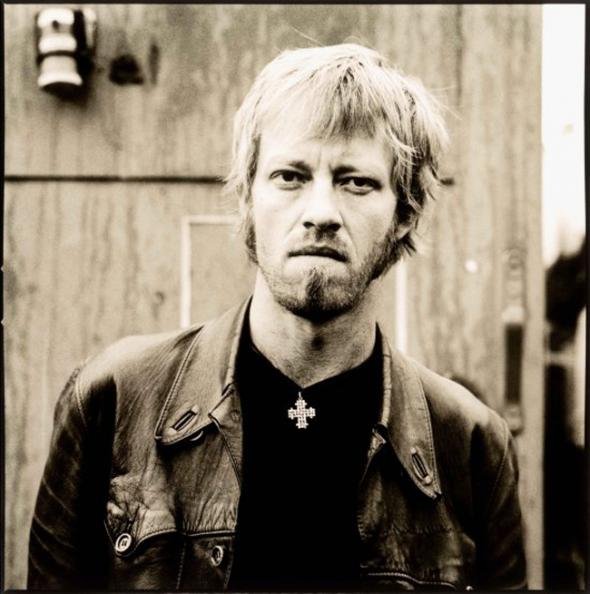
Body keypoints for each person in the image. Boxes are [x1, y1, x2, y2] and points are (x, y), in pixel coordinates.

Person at [28, 43, 527, 591]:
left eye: (356, 181)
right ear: (247, 197)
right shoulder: (113, 398)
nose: (321, 213)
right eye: (290, 176)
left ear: (404, 214)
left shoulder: (472, 445)